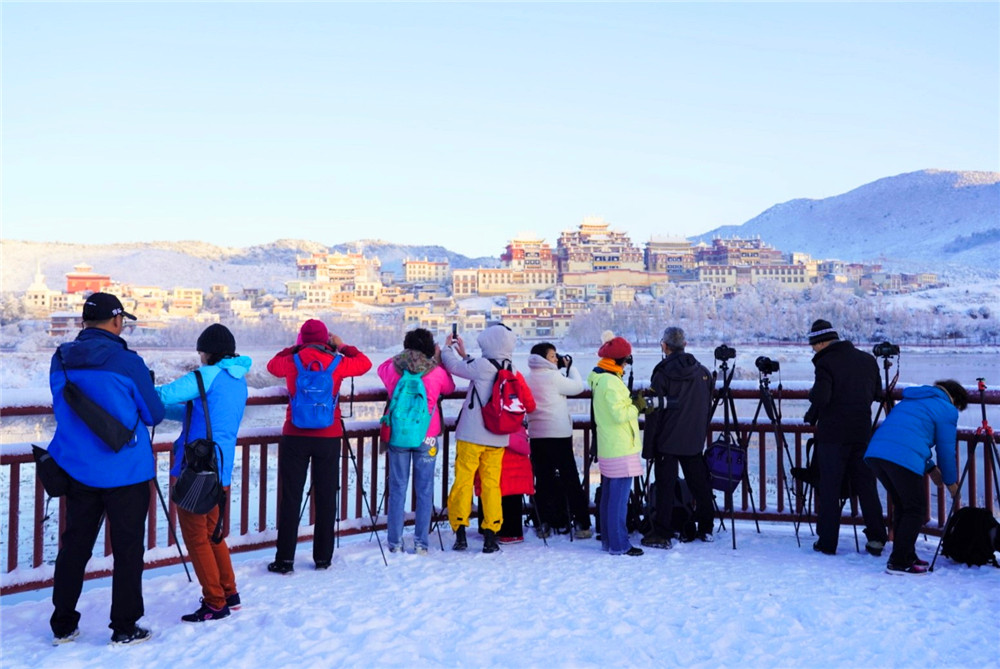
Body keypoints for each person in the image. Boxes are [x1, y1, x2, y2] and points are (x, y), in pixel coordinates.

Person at [48, 293, 165, 645]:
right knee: (128, 549)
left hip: (77, 469)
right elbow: (154, 414)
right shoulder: (127, 361)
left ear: (85, 322)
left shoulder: (61, 359)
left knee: (74, 546)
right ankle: (125, 627)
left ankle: (63, 624)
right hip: (126, 472)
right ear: (116, 321)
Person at [157, 324, 251, 620]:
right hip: (220, 470)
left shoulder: (206, 376)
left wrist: (138, 388)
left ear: (207, 352)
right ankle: (229, 592)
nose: (198, 358)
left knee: (197, 536)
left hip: (197, 470)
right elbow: (194, 411)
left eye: (200, 352)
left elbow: (164, 396)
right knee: (213, 534)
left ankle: (214, 602)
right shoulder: (237, 380)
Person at [266, 319, 371, 573]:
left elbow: (271, 366)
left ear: (302, 338)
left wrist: (294, 348)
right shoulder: (338, 362)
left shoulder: (292, 361)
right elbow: (365, 364)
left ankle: (285, 560)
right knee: (326, 497)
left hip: (295, 434)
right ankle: (323, 558)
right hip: (329, 436)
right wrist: (342, 346)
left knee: (291, 497)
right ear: (326, 339)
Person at [865, 380, 968, 575]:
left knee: (903, 506)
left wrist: (930, 468)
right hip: (900, 457)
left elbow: (908, 436)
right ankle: (899, 561)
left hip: (876, 453)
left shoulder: (911, 400)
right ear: (955, 400)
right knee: (916, 509)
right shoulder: (946, 408)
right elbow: (946, 450)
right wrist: (951, 482)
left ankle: (906, 554)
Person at [441, 323, 528, 554]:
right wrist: (465, 354)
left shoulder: (481, 366)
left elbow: (453, 367)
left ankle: (460, 531)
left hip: (472, 435)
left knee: (463, 482)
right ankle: (491, 535)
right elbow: (477, 366)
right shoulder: (512, 367)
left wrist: (448, 348)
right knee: (491, 485)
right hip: (498, 436)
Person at [804, 319, 888, 556]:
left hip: (833, 436)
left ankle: (827, 541)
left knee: (829, 488)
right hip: (862, 432)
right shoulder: (867, 360)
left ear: (820, 343)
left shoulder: (825, 363)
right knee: (866, 487)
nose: (812, 350)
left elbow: (821, 396)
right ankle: (877, 538)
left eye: (813, 345)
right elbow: (877, 393)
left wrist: (813, 397)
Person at [376, 328, 455, 555]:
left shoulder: (393, 367)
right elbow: (450, 388)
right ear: (429, 347)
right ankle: (421, 543)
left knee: (398, 488)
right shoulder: (436, 372)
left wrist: (401, 356)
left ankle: (395, 543)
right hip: (427, 437)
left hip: (398, 435)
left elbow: (381, 368)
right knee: (425, 489)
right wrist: (437, 360)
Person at [641, 327, 716, 548]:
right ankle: (706, 527)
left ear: (665, 346)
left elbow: (654, 411)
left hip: (667, 440)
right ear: (684, 345)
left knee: (665, 486)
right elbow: (707, 405)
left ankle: (662, 532)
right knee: (700, 484)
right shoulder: (702, 371)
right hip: (693, 439)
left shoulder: (662, 373)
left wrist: (649, 447)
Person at [524, 342, 591, 539]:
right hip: (559, 435)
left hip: (536, 435)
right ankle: (582, 523)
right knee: (570, 478)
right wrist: (571, 367)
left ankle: (543, 522)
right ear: (545, 358)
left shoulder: (528, 378)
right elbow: (577, 387)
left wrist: (559, 368)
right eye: (553, 356)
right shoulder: (554, 377)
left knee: (543, 480)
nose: (556, 358)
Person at [589, 332, 644, 556]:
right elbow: (619, 414)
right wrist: (637, 406)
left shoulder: (600, 377)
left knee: (610, 497)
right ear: (621, 359)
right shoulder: (610, 382)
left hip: (609, 445)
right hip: (620, 446)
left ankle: (609, 541)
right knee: (618, 500)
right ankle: (619, 544)